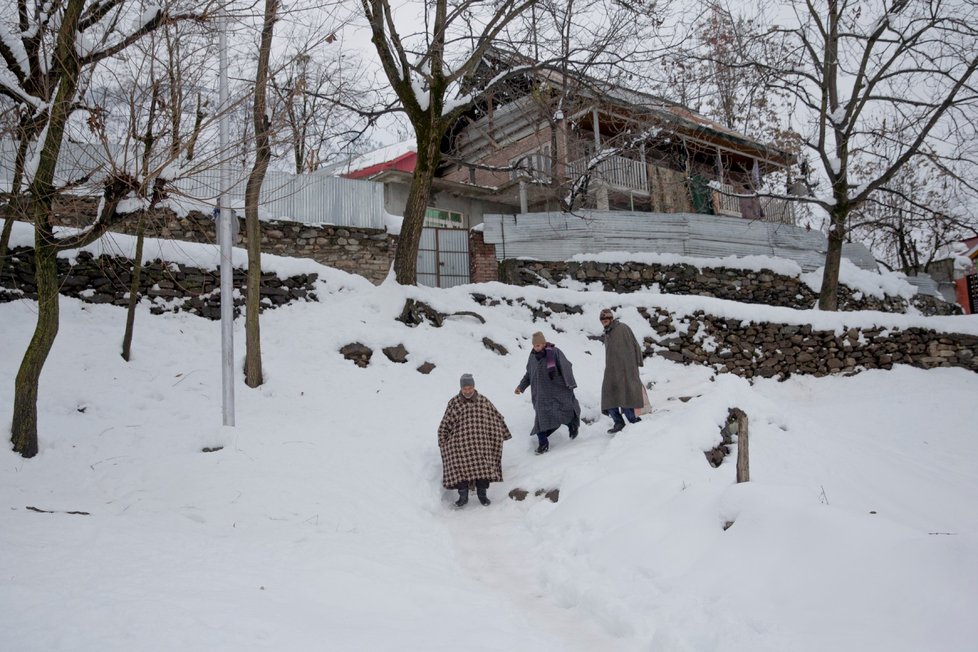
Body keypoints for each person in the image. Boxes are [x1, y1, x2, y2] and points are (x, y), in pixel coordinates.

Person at [437, 373, 512, 507]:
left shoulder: (483, 401)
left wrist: (502, 431)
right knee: (458, 467)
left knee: (483, 468)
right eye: (465, 388)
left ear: (474, 386)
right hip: (459, 444)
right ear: (461, 389)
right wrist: (442, 438)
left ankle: (482, 495)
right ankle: (463, 496)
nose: (467, 391)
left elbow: (495, 416)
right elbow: (446, 422)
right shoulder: (454, 403)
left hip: (481, 444)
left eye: (470, 387)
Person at [515, 331, 580, 455]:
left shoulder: (555, 352)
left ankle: (572, 424)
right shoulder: (532, 356)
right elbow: (529, 374)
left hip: (556, 390)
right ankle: (543, 444)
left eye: (539, 345)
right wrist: (521, 387)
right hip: (540, 395)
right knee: (540, 418)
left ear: (544, 344)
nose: (536, 348)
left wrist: (569, 383)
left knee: (561, 411)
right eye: (534, 345)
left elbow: (566, 367)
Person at [599, 308, 644, 434]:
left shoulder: (623, 328)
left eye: (606, 319)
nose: (604, 322)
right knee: (609, 395)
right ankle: (618, 422)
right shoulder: (607, 332)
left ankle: (633, 421)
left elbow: (635, 344)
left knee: (625, 394)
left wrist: (637, 362)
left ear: (611, 318)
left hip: (626, 369)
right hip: (612, 370)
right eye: (602, 320)